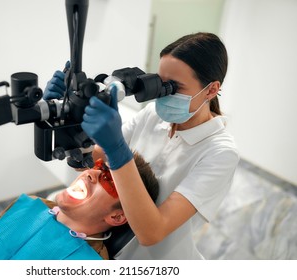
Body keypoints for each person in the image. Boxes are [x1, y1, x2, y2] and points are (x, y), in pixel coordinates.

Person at [44, 32, 240, 259]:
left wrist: (117, 149)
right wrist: (65, 123)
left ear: (211, 89)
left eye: (175, 86)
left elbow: (153, 232)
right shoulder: (152, 116)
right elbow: (95, 157)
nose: (164, 94)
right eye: (161, 83)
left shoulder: (220, 152)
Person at [0, 152, 159, 260]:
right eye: (99, 167)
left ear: (116, 217)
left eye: (108, 180)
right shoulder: (29, 204)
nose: (91, 173)